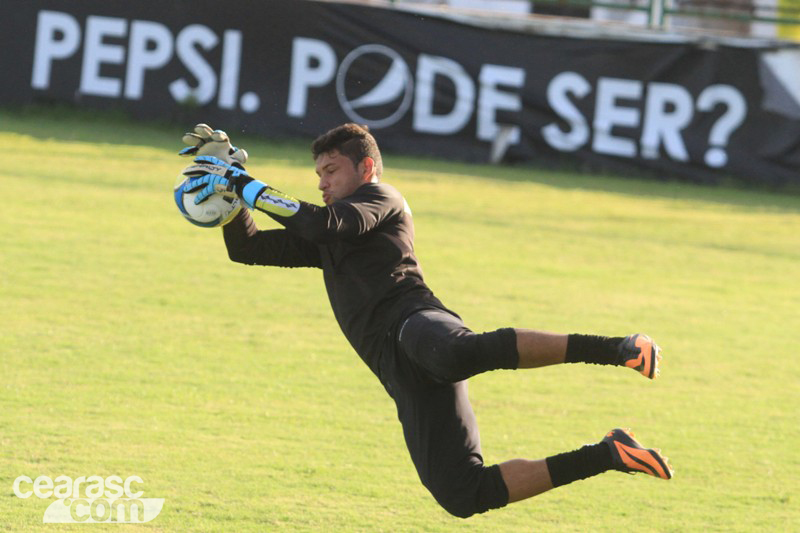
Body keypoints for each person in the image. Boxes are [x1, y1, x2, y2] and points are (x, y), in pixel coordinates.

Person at [179, 123, 673, 518]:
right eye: (318, 176)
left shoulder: (381, 198)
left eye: (330, 170)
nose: (323, 183)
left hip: (416, 322)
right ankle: (610, 454)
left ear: (366, 167)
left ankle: (617, 349)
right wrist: (227, 206)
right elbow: (249, 251)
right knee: (462, 495)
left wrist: (243, 182)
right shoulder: (326, 234)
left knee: (457, 352)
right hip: (397, 371)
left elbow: (322, 223)